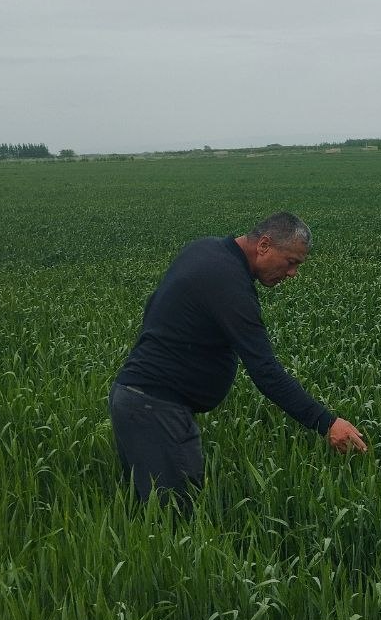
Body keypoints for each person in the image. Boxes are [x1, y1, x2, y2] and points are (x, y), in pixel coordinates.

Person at [109, 212, 367, 517]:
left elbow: (153, 305)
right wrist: (327, 423)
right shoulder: (229, 284)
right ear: (264, 245)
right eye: (291, 262)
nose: (293, 273)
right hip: (156, 411)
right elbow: (266, 372)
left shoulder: (206, 250)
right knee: (177, 520)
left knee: (151, 515)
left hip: (141, 403)